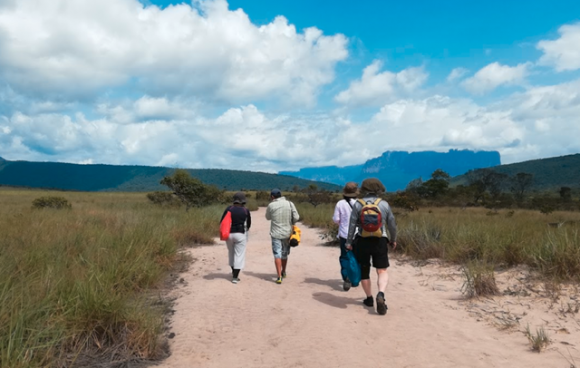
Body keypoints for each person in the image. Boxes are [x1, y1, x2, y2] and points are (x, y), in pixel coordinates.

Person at [345, 178, 397, 315]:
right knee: (382, 270)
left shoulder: (358, 204)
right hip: (380, 240)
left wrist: (349, 242)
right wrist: (393, 239)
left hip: (363, 240)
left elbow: (352, 226)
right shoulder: (384, 204)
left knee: (364, 271)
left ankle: (369, 298)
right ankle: (381, 294)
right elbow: (392, 224)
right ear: (379, 188)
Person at [265, 188, 300, 284]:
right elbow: (297, 217)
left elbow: (267, 217)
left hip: (275, 233)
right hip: (287, 233)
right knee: (284, 254)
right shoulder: (289, 203)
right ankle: (284, 271)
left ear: (272, 197)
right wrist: (291, 222)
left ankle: (279, 276)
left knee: (277, 254)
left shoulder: (271, 205)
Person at [220, 192, 252, 284]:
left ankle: (233, 271)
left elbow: (222, 221)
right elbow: (249, 224)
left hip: (229, 234)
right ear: (243, 201)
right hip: (240, 234)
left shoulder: (228, 209)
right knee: (239, 255)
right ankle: (235, 277)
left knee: (231, 253)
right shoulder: (245, 210)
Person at [332, 182, 359, 291]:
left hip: (344, 234)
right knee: (357, 257)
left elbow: (336, 220)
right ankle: (356, 278)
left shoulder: (340, 203)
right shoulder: (361, 203)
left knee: (344, 257)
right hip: (358, 235)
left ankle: (346, 277)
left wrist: (343, 223)